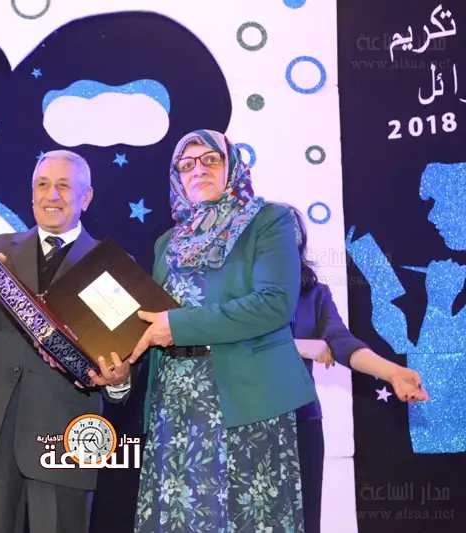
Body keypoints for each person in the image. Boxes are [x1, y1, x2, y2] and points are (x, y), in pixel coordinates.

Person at [127, 129, 317, 532]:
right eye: (187, 165)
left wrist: (177, 326)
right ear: (177, 178)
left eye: (211, 159)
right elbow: (151, 322)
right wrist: (119, 370)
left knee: (248, 519)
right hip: (173, 407)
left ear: (232, 166)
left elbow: (273, 304)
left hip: (245, 401)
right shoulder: (168, 242)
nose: (199, 170)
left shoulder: (268, 220)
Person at [0, 150, 133, 533]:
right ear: (32, 194)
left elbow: (124, 356)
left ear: (86, 197)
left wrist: (119, 381)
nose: (52, 195)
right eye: (43, 185)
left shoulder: (114, 265)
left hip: (69, 431)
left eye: (64, 186)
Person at [286, 203, 428, 533]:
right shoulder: (237, 296)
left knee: (303, 523)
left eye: (286, 241)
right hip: (248, 421)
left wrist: (392, 372)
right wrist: (304, 346)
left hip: (302, 420)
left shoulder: (314, 295)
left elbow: (340, 341)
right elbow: (236, 343)